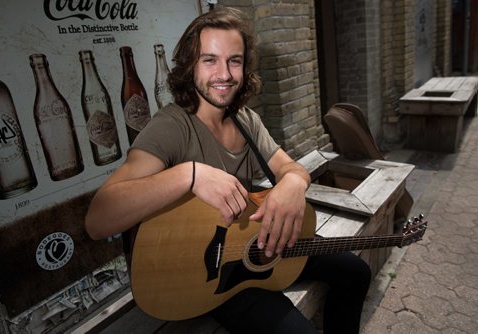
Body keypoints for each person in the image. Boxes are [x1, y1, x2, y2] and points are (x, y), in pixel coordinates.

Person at [85, 7, 371, 334]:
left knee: (355, 271)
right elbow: (98, 219)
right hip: (211, 277)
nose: (224, 74)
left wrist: (293, 182)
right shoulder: (171, 126)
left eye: (234, 60)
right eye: (210, 60)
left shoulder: (245, 119)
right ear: (190, 66)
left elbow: (287, 166)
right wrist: (189, 175)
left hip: (251, 243)